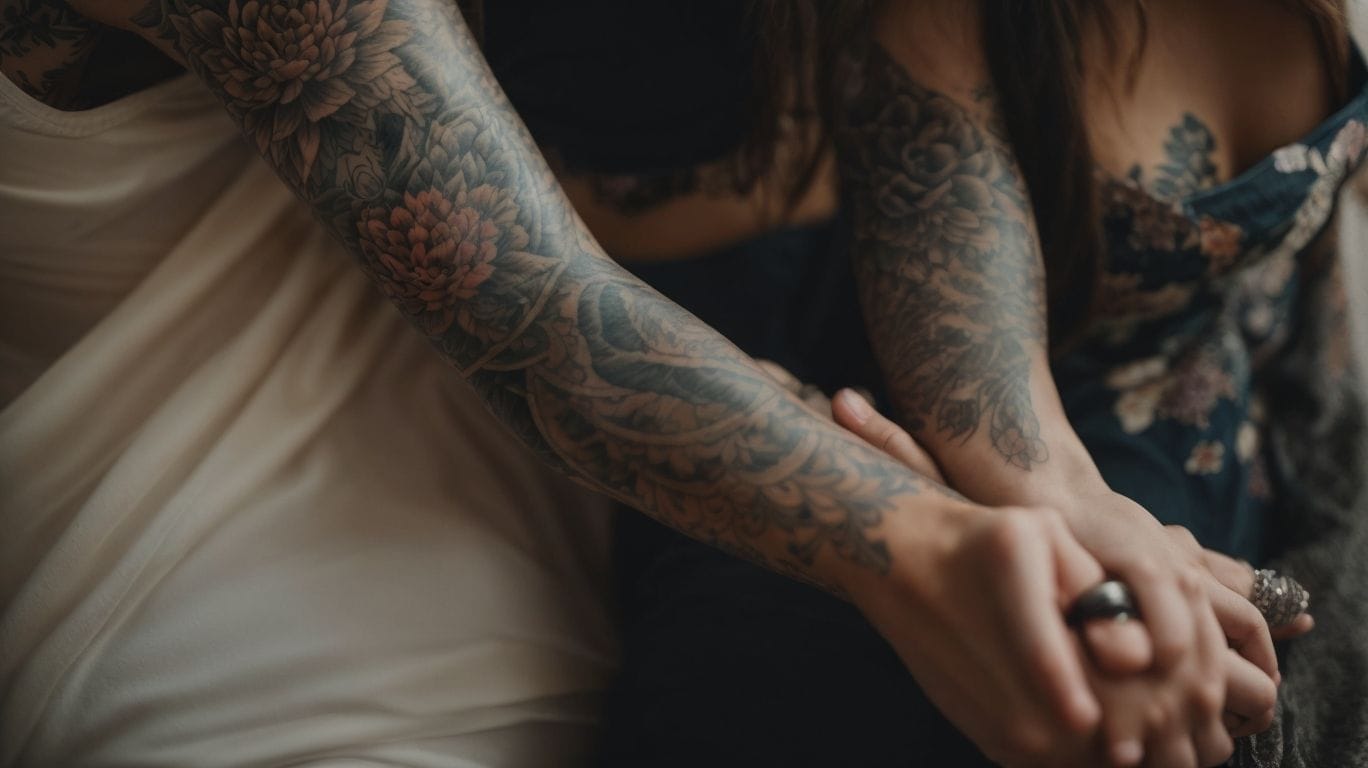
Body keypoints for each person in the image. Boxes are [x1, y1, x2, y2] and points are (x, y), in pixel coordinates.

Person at [0, 1, 1315, 766]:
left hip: (579, 474)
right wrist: (935, 550)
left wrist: (1045, 485)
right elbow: (539, 302)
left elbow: (921, 106)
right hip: (254, 550)